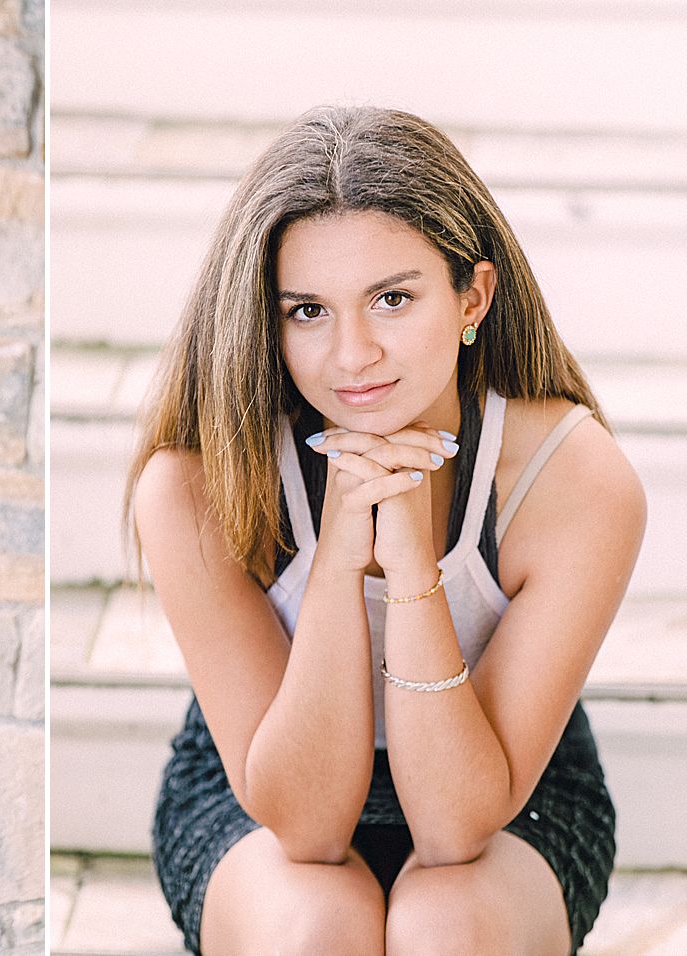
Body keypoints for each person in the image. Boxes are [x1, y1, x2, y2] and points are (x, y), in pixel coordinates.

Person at [128, 106, 645, 955]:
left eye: (392, 299)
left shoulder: (573, 480)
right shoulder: (193, 481)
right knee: (317, 929)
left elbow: (454, 827)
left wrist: (413, 568)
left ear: (472, 295)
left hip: (509, 792)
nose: (352, 355)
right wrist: (337, 558)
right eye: (307, 311)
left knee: (447, 929)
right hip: (261, 788)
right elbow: (305, 827)